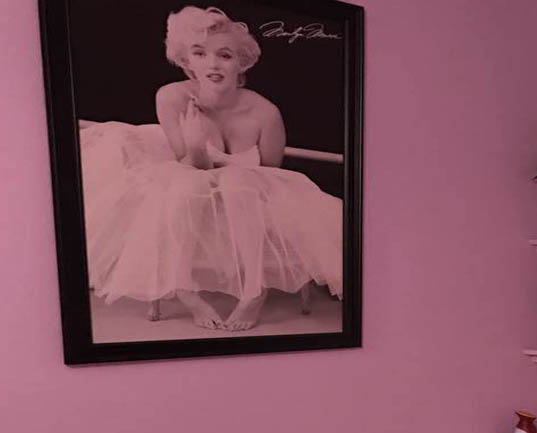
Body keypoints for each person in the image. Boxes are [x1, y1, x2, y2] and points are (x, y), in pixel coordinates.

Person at [79, 6, 343, 331]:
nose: (213, 64)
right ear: (186, 61)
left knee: (235, 180)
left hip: (248, 200)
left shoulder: (266, 113)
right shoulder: (172, 97)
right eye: (199, 53)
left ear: (241, 63)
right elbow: (189, 167)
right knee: (184, 184)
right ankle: (185, 290)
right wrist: (194, 145)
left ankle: (254, 290)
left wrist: (226, 170)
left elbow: (271, 176)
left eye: (225, 55)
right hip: (192, 189)